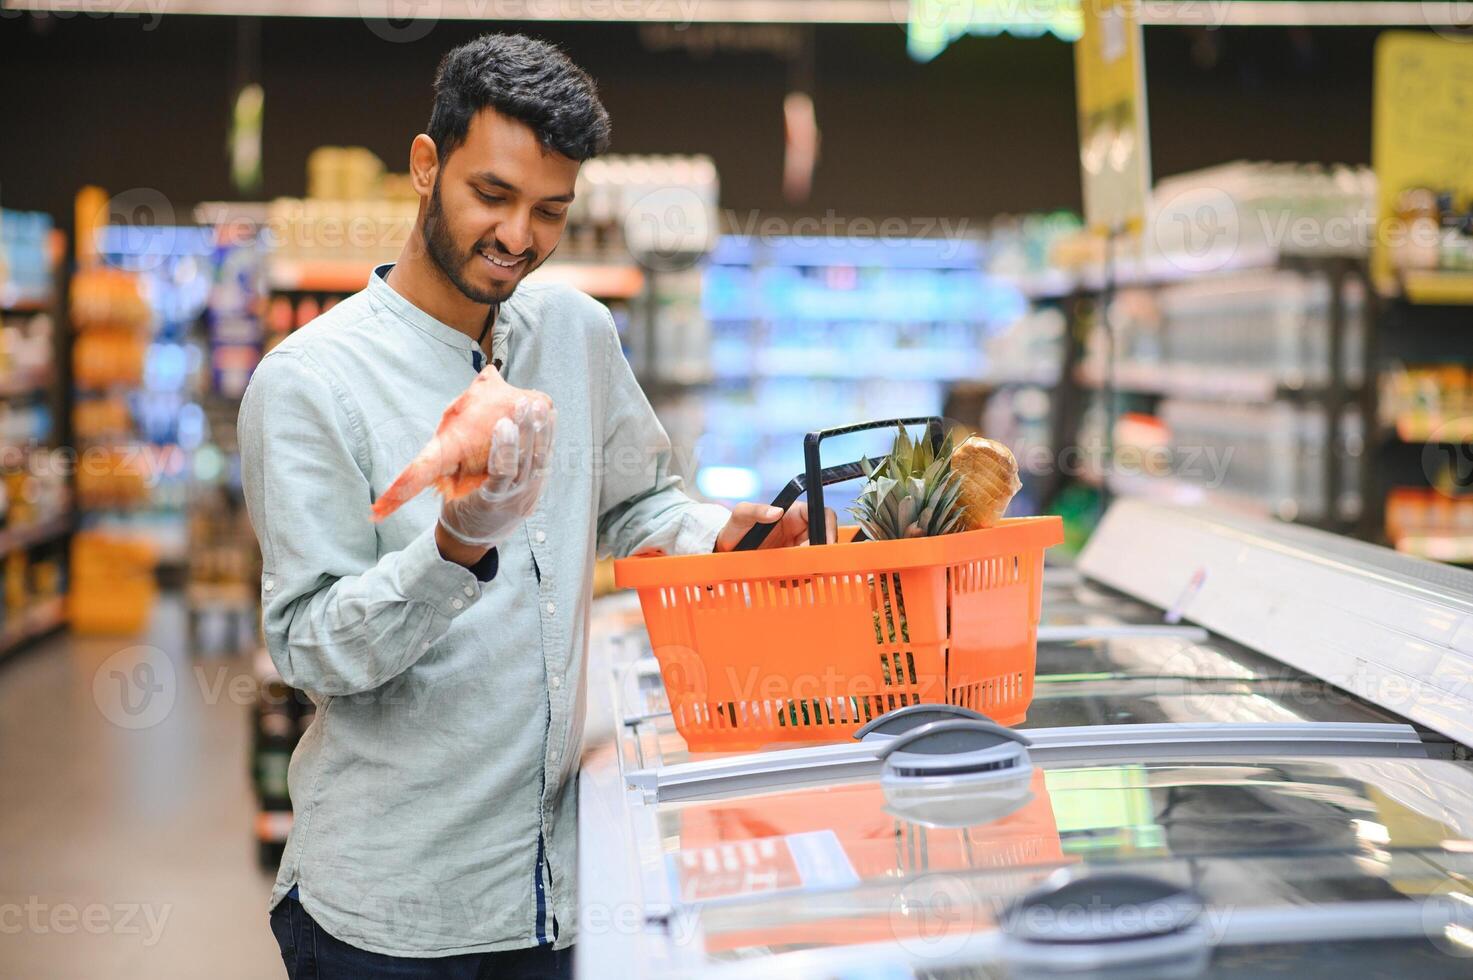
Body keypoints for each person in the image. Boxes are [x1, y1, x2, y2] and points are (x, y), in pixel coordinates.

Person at [238, 33, 833, 980]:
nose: (518, 236)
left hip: (548, 899)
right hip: (388, 918)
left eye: (549, 210)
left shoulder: (575, 332)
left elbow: (640, 503)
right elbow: (309, 646)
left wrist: (708, 535)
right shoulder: (310, 382)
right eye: (492, 196)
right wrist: (451, 548)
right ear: (425, 165)